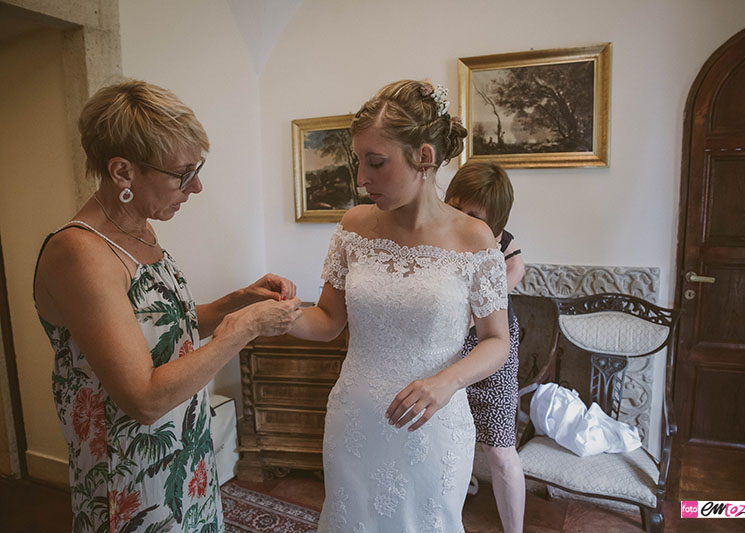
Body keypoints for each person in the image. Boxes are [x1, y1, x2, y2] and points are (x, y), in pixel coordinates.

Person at [33, 80, 302, 532]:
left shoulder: (141, 230)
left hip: (183, 449)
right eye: (182, 173)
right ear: (122, 172)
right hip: (132, 475)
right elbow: (144, 398)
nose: (196, 186)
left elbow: (159, 329)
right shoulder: (80, 253)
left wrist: (238, 300)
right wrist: (243, 327)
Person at [287, 80, 511, 532]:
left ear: (423, 157)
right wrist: (275, 314)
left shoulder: (474, 238)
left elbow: (496, 341)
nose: (360, 179)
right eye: (358, 162)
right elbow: (329, 320)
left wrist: (447, 381)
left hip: (433, 425)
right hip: (356, 420)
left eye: (376, 163)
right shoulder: (354, 226)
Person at [445, 162, 526, 533]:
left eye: (473, 215)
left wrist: (477, 313)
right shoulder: (433, 232)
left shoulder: (501, 241)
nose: (461, 219)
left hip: (492, 342)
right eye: (455, 206)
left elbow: (516, 271)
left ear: (494, 223)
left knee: (498, 446)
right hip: (444, 344)